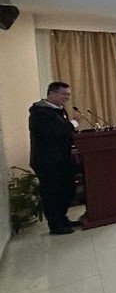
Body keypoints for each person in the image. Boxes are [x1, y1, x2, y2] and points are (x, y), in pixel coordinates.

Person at [29, 82, 83, 234]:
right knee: (52, 193)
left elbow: (64, 134)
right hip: (47, 161)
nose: (67, 97)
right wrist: (75, 122)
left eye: (68, 95)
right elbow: (55, 133)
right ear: (51, 93)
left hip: (62, 159)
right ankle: (55, 225)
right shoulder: (39, 113)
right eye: (63, 94)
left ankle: (62, 218)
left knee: (68, 188)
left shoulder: (60, 110)